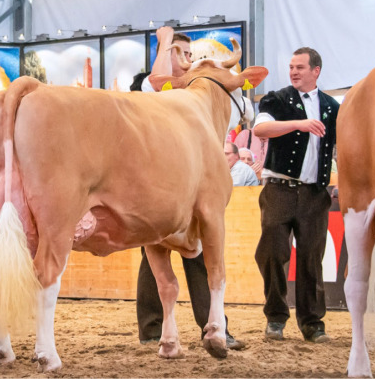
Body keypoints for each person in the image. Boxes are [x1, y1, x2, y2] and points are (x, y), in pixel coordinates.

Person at [134, 26, 244, 350]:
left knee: (197, 255)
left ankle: (212, 325)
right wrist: (164, 44)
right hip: (158, 182)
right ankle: (153, 328)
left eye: (186, 54)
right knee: (152, 257)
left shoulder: (200, 86)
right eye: (176, 54)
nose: (183, 60)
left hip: (191, 184)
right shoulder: (154, 84)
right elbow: (153, 84)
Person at [252, 47, 339, 344]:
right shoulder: (277, 98)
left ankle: (312, 323)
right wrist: (298, 124)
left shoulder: (332, 107)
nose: (294, 72)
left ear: (316, 71)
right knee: (273, 253)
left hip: (315, 193)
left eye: (300, 67)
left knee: (312, 259)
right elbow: (260, 128)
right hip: (279, 189)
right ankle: (275, 318)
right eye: (291, 67)